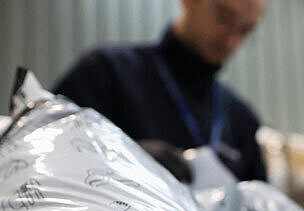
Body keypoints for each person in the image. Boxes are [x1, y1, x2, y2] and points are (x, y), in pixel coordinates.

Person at [53, 0, 267, 182]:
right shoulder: (105, 72)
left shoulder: (241, 119)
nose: (231, 39)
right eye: (223, 17)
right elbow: (51, 152)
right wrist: (124, 156)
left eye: (245, 30)